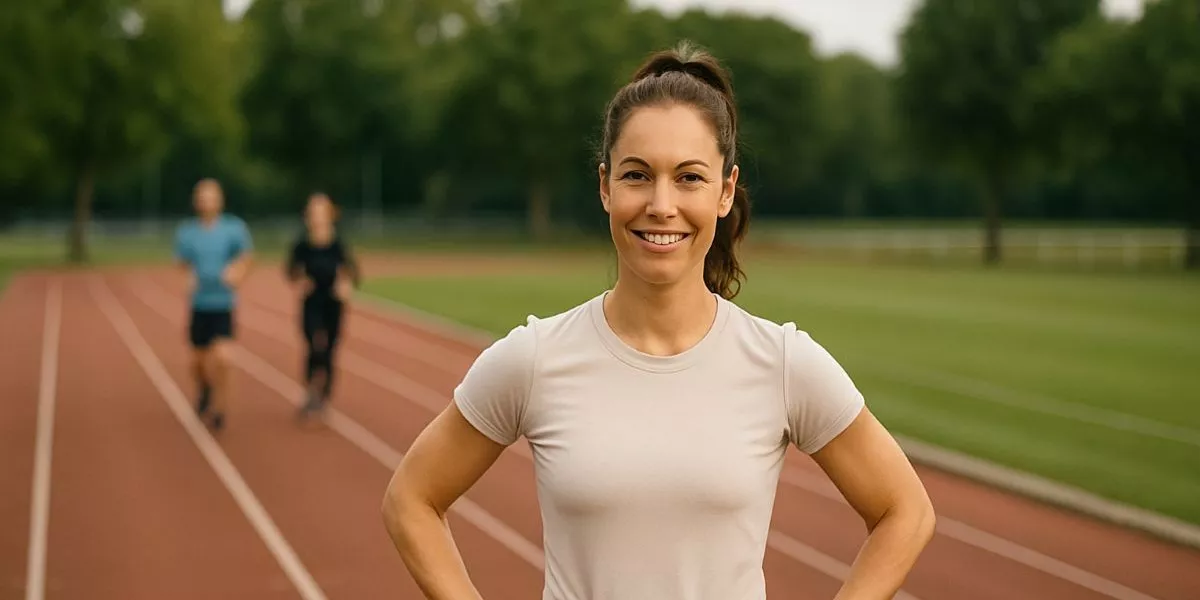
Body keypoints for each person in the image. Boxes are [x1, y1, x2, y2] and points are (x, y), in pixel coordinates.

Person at [381, 42, 935, 600]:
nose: (661, 204)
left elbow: (905, 511)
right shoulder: (536, 357)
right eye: (637, 175)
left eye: (689, 178)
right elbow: (411, 499)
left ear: (725, 191)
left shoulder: (782, 362)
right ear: (605, 186)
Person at [173, 178, 254, 432]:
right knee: (197, 363)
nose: (207, 202)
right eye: (202, 198)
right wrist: (188, 277)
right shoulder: (187, 232)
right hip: (199, 305)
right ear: (196, 202)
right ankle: (205, 389)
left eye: (211, 197)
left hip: (223, 305)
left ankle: (220, 408)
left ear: (220, 200)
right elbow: (182, 262)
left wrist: (237, 272)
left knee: (223, 358)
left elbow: (246, 257)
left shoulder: (234, 228)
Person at [285, 192, 360, 421]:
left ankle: (324, 392)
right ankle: (311, 389)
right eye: (313, 212)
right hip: (311, 302)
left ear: (330, 215)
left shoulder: (338, 244)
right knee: (313, 345)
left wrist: (345, 283)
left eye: (321, 211)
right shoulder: (302, 244)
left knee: (329, 348)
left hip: (333, 302)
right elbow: (291, 271)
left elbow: (352, 271)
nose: (317, 216)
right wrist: (300, 280)